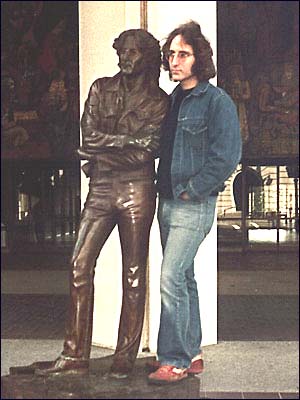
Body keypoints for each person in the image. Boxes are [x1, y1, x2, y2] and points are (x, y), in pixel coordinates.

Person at [34, 28, 168, 379]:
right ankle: (74, 355)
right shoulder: (100, 89)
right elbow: (88, 137)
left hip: (138, 189)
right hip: (102, 187)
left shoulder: (159, 101)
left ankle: (124, 356)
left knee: (134, 273)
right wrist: (126, 142)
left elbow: (148, 150)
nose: (125, 57)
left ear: (148, 58)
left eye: (134, 52)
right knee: (79, 264)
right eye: (122, 51)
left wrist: (103, 150)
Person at [147, 21, 242, 385]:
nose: (174, 61)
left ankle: (174, 359)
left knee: (170, 276)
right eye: (170, 54)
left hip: (191, 202)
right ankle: (194, 352)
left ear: (199, 59)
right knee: (183, 276)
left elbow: (226, 156)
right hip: (167, 200)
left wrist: (192, 189)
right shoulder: (172, 100)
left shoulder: (217, 102)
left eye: (182, 54)